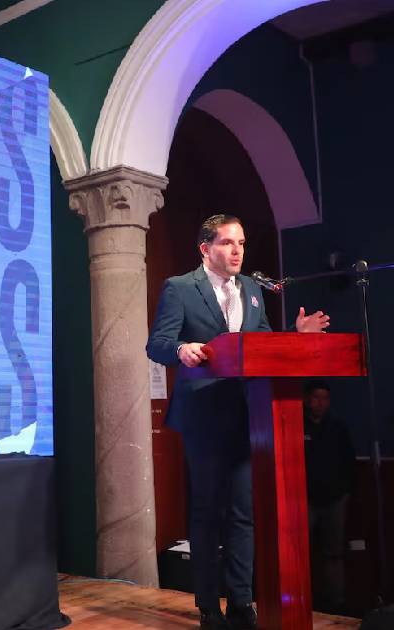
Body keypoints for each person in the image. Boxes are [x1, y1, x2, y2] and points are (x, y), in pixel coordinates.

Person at [146, 214, 330, 630]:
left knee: (243, 514)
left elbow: (260, 347)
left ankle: (242, 602)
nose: (237, 251)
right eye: (228, 243)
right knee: (208, 513)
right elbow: (157, 344)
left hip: (249, 415)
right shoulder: (180, 287)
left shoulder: (251, 289)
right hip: (203, 417)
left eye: (241, 243)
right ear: (205, 248)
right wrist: (181, 349)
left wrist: (294, 335)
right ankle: (209, 606)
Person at [301, 379, 356, 613]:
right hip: (304, 500)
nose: (320, 403)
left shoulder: (338, 427)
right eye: (316, 397)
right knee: (301, 553)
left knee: (334, 553)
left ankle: (336, 602)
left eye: (325, 398)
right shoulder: (296, 425)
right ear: (307, 399)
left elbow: (349, 461)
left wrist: (345, 492)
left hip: (334, 499)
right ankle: (302, 601)